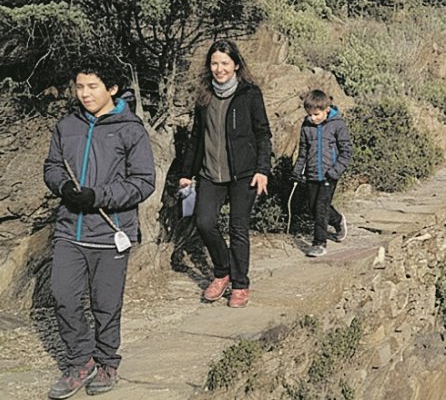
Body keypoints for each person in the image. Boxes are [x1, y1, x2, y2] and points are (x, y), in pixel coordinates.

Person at [43, 59, 156, 398]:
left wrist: (98, 196)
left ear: (112, 89)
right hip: (69, 230)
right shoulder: (67, 126)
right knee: (63, 297)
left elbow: (143, 182)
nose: (84, 93)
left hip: (110, 231)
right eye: (79, 87)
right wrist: (62, 187)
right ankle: (81, 362)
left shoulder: (130, 128)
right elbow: (52, 166)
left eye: (92, 86)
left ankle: (107, 362)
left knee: (106, 305)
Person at [179, 39, 272, 308]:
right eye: (215, 63)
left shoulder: (249, 94)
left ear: (236, 65)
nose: (219, 69)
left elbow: (263, 133)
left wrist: (262, 170)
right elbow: (197, 137)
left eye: (225, 63)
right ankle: (222, 272)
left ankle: (240, 285)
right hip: (210, 173)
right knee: (204, 222)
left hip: (244, 174)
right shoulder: (204, 96)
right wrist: (187, 172)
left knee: (238, 228)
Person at [291, 89, 352, 257]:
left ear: (326, 109)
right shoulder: (307, 125)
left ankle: (319, 243)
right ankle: (338, 220)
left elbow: (346, 152)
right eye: (309, 114)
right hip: (312, 174)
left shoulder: (337, 124)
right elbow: (303, 151)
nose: (312, 118)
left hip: (329, 175)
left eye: (316, 114)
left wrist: (335, 171)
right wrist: (297, 170)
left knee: (321, 208)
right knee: (312, 207)